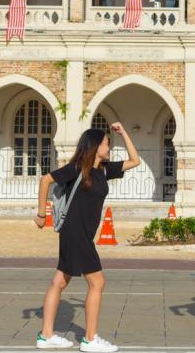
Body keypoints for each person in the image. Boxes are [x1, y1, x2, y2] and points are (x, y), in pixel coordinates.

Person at [34, 122, 140, 352]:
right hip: (75, 232)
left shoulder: (104, 170)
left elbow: (135, 161)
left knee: (60, 281)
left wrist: (124, 133)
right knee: (98, 282)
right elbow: (46, 180)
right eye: (105, 143)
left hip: (82, 233)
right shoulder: (77, 168)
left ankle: (46, 336)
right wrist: (42, 214)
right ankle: (90, 339)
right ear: (94, 146)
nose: (109, 146)